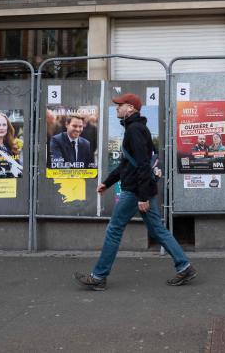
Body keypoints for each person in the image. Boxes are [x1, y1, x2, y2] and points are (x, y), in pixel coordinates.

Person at [75, 93, 196, 291]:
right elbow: (127, 164)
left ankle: (98, 276)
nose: (116, 108)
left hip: (134, 191)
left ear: (130, 108)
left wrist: (142, 197)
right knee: (157, 228)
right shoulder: (134, 128)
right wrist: (108, 182)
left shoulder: (135, 130)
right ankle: (185, 266)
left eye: (120, 105)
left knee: (114, 229)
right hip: (141, 188)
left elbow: (141, 164)